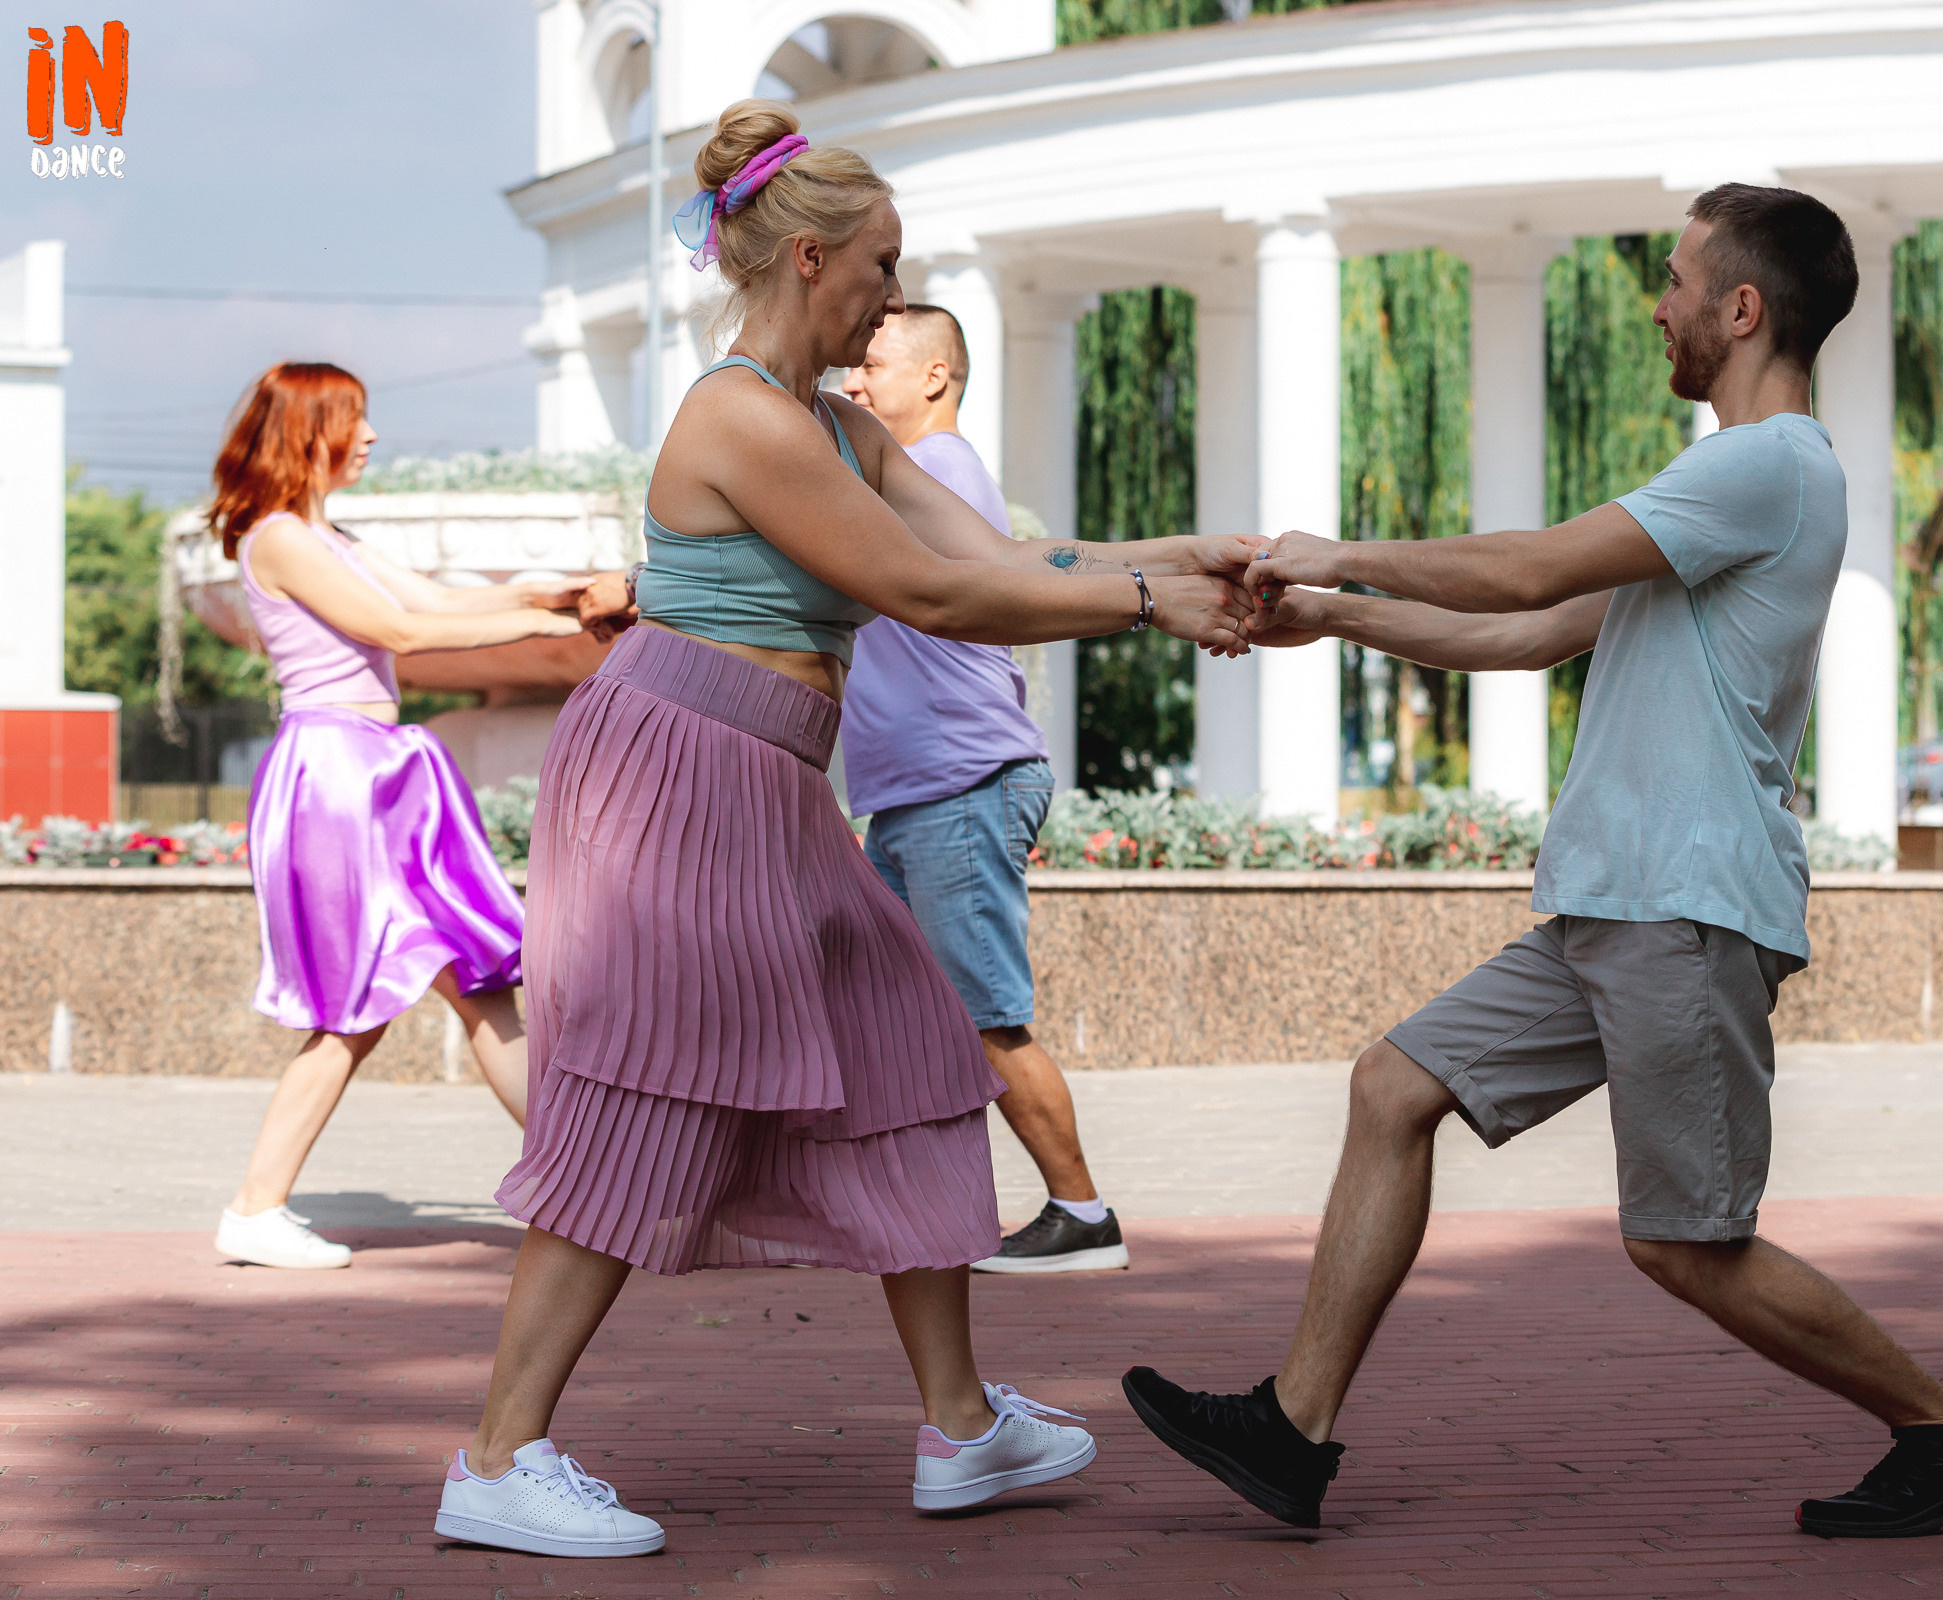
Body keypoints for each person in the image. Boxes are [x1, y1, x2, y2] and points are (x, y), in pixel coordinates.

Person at [1121, 184, 1943, 1540]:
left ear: (1741, 309)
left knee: (1685, 1242)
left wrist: (1347, 549)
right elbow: (1534, 624)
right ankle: (1294, 1428)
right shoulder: (1725, 487)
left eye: (1677, 280)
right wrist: (1328, 616)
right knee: (1392, 1090)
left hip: (1682, 905)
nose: (1657, 304)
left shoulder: (1768, 463)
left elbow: (1528, 565)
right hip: (1614, 903)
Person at [435, 101, 1254, 1560]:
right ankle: (498, 1457)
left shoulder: (832, 421)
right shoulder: (739, 417)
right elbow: (932, 599)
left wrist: (1177, 558)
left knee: (912, 1049)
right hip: (678, 777)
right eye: (882, 264)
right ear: (811, 259)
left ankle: (963, 1425)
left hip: (764, 782)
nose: (894, 292)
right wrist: (1151, 609)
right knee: (642, 1097)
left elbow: (997, 556)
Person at [204, 362, 588, 1273]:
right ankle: (255, 1207)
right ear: (308, 433)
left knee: (481, 983)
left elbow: (445, 600)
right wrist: (550, 624)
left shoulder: (327, 537)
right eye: (354, 421)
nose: (372, 437)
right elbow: (405, 635)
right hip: (337, 779)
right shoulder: (280, 539)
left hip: (378, 773)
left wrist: (561, 595)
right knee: (353, 1009)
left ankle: (589, 1186)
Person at [836, 307, 1131, 1274]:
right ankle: (914, 1201)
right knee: (911, 1015)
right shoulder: (911, 473)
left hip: (960, 782)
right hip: (924, 789)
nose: (854, 379)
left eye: (871, 363)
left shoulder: (936, 473)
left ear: (934, 376)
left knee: (983, 1018)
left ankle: (1082, 1214)